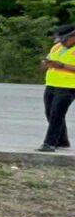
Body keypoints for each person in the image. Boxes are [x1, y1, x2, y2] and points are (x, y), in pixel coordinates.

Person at [38, 24, 75, 152]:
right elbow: (47, 61)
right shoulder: (57, 47)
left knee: (57, 114)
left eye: (65, 39)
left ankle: (49, 143)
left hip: (69, 86)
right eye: (61, 40)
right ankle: (62, 141)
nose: (62, 42)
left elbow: (62, 66)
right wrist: (45, 63)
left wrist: (62, 66)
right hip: (51, 84)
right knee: (49, 112)